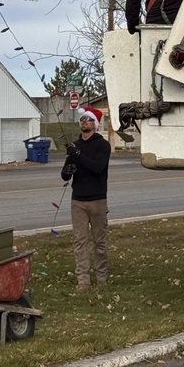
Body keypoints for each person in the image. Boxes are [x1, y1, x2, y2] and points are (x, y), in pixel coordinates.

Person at [61, 107, 111, 289]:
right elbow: (65, 175)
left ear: (95, 124)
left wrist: (79, 157)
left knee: (100, 241)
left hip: (97, 200)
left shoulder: (102, 145)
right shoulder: (75, 146)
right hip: (78, 201)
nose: (84, 122)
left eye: (88, 119)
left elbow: (97, 167)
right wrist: (67, 171)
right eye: (82, 119)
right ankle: (83, 279)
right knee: (79, 241)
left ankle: (102, 276)